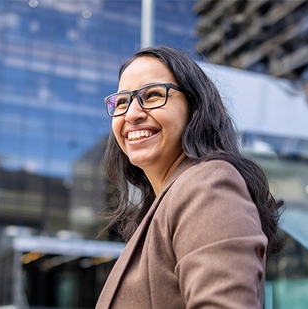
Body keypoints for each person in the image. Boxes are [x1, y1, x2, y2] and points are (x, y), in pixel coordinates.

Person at [96, 46, 283, 308]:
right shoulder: (168, 201)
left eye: (152, 95)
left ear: (194, 107)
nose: (131, 114)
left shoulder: (208, 185)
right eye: (122, 101)